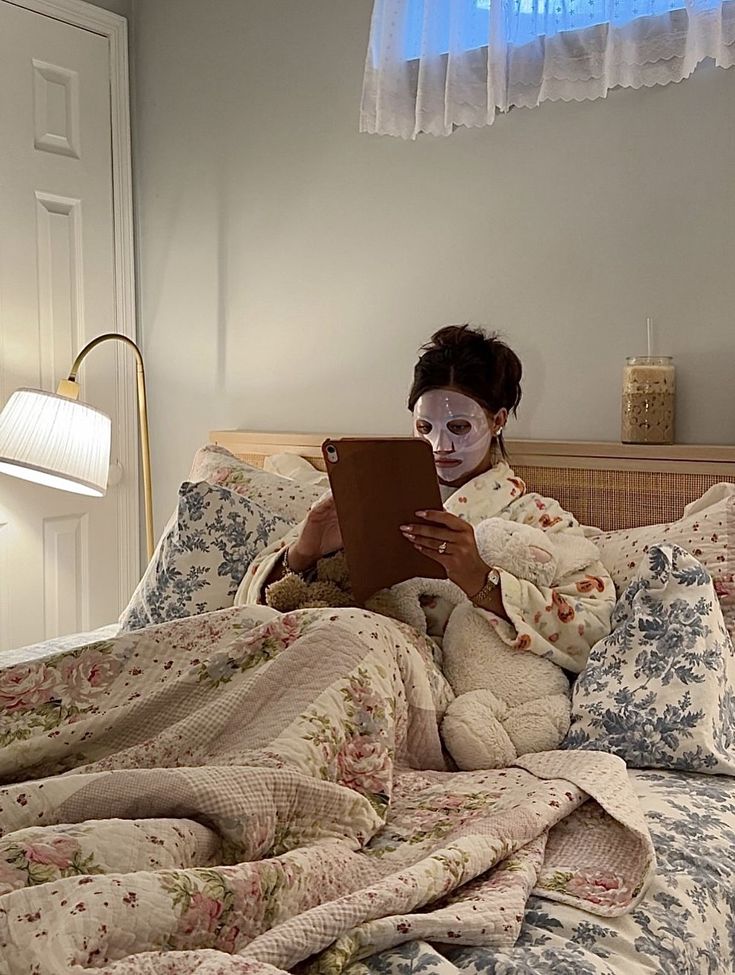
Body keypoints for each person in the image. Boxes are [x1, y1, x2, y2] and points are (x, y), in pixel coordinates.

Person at [239, 325, 615, 674]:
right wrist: (303, 553)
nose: (440, 446)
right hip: (320, 643)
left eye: (459, 427)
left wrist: (482, 582)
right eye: (424, 428)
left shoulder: (535, 518)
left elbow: (595, 629)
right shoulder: (363, 491)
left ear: (498, 420)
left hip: (411, 672)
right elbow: (247, 606)